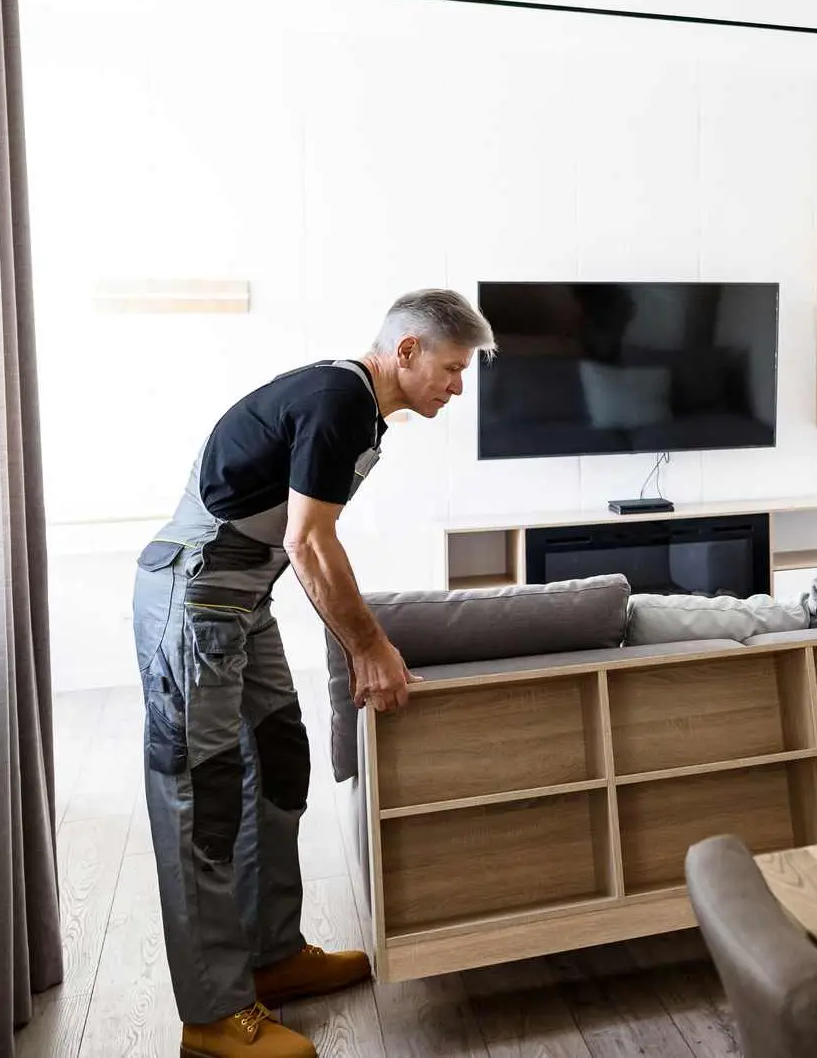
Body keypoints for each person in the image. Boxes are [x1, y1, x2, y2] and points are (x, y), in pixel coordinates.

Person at [131, 290, 493, 1058]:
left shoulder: (357, 411)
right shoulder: (338, 398)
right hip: (194, 596)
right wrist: (369, 646)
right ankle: (212, 1013)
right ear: (405, 351)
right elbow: (309, 540)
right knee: (205, 793)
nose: (457, 387)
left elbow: (295, 541)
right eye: (452, 368)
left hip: (242, 597)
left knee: (281, 761)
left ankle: (272, 956)